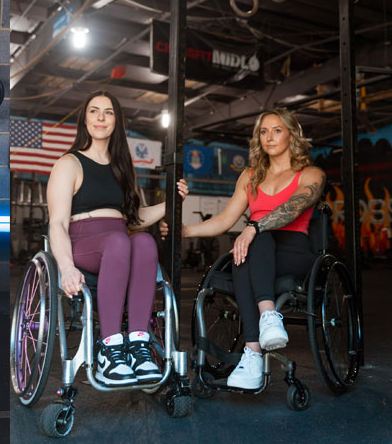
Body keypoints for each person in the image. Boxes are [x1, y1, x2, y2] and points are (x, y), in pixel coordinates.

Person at [46, 91, 188, 386]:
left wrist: (172, 202)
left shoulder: (123, 167)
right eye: (94, 111)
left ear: (116, 121)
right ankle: (108, 346)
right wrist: (67, 267)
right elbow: (57, 222)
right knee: (120, 241)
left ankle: (137, 343)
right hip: (85, 242)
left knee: (145, 241)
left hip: (119, 241)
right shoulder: (69, 163)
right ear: (84, 119)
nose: (101, 117)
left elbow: (135, 219)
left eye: (108, 112)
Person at [179, 108, 325, 390]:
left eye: (277, 130)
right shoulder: (250, 176)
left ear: (292, 134)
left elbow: (293, 207)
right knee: (242, 252)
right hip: (257, 251)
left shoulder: (311, 173)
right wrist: (183, 231)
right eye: (263, 131)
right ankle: (258, 341)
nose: (269, 137)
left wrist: (254, 227)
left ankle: (257, 341)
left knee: (251, 242)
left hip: (294, 251)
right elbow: (223, 220)